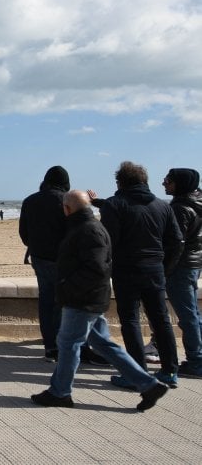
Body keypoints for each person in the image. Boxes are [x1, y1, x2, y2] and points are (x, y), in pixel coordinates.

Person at [31, 190, 169, 411]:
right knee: (103, 344)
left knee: (68, 344)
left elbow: (96, 269)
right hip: (89, 298)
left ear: (67, 209)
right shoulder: (85, 226)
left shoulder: (88, 230)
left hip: (83, 299)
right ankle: (148, 384)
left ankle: (60, 392)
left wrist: (67, 286)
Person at [90, 161, 182, 389]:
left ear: (120, 182)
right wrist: (165, 267)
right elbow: (177, 241)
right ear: (144, 181)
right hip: (154, 268)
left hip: (127, 269)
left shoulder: (116, 205)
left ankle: (137, 374)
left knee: (130, 320)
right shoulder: (162, 206)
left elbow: (108, 241)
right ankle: (170, 370)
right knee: (161, 319)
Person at [19, 166, 70, 361]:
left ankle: (50, 345)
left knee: (46, 301)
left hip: (39, 258)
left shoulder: (30, 201)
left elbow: (24, 233)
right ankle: (61, 343)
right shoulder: (66, 200)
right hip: (63, 259)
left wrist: (34, 246)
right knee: (62, 303)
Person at [162, 168, 202, 377]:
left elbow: (176, 242)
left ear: (181, 184)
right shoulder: (196, 202)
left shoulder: (180, 208)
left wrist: (166, 268)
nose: (164, 184)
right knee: (192, 313)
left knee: (187, 316)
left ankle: (196, 361)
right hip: (194, 264)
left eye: (168, 181)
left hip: (181, 266)